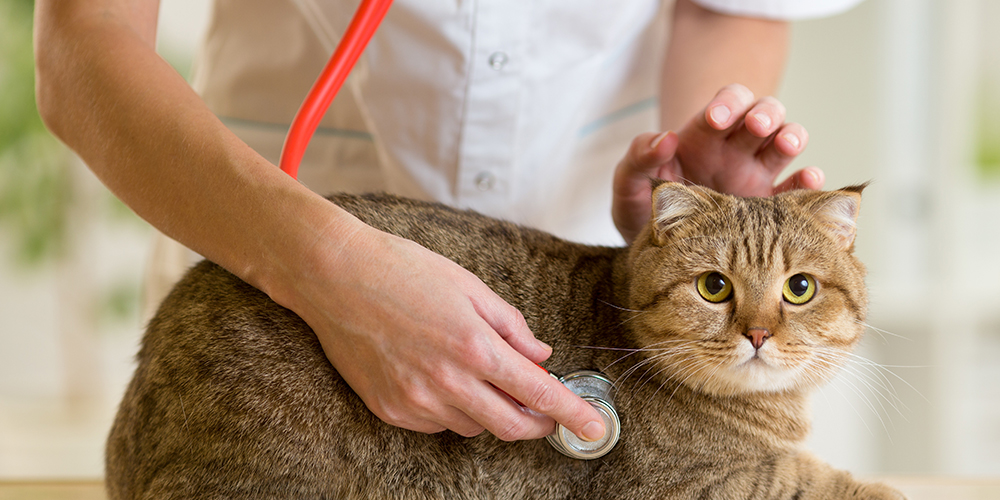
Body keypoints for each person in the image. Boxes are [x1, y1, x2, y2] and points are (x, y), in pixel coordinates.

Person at [34, 0, 861, 444]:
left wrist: (689, 217)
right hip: (273, 261)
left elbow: (733, 5)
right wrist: (327, 270)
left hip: (596, 287)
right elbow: (85, 38)